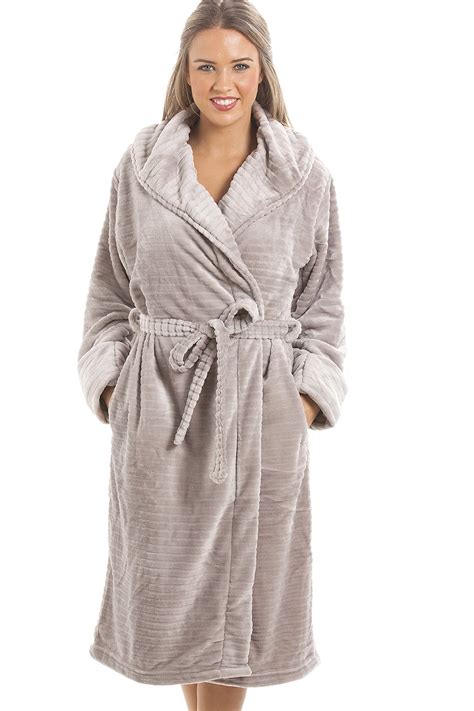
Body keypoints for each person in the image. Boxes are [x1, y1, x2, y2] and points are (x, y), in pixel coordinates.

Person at [77, 1, 347, 709]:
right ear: (186, 72)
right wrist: (117, 389)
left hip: (259, 409)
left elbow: (323, 301)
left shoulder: (302, 173)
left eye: (239, 65)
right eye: (206, 66)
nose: (223, 83)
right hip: (162, 409)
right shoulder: (144, 167)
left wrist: (301, 400)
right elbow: (110, 290)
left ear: (262, 71)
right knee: (176, 607)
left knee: (240, 612)